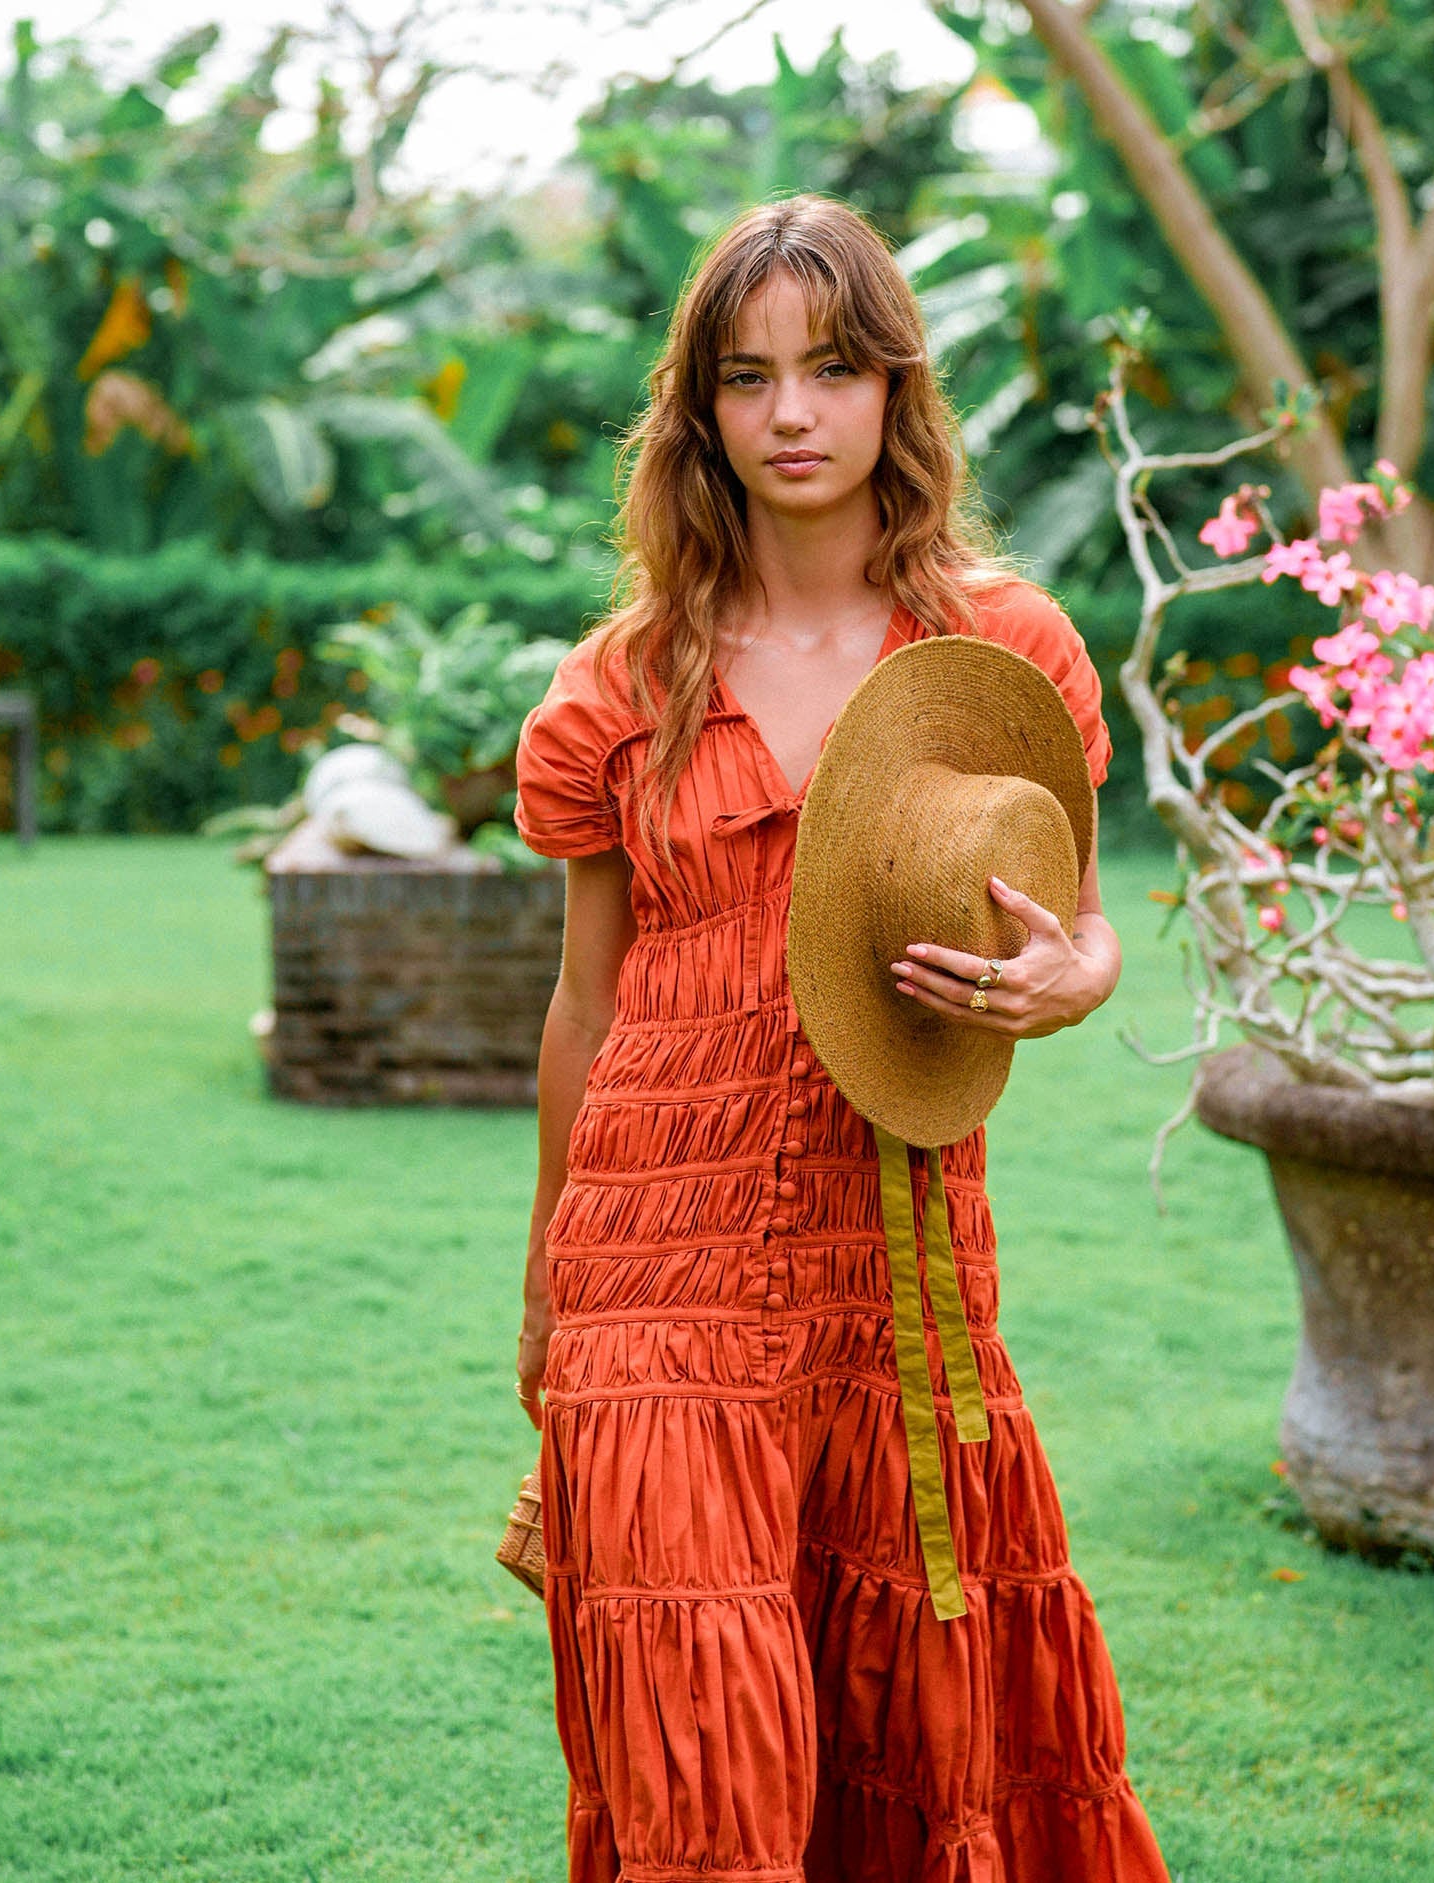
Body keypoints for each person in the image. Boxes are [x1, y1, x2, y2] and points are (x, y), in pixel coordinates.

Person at [511, 194, 1171, 1882]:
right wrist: (546, 1301)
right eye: (748, 378)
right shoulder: (621, 684)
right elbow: (585, 1007)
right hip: (653, 1261)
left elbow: (1078, 924)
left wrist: (1076, 980)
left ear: (895, 391)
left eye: (831, 369)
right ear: (702, 414)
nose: (792, 414)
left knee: (921, 1721)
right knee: (700, 1743)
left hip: (897, 1255)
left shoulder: (996, 656)